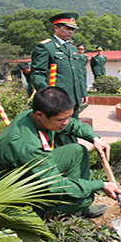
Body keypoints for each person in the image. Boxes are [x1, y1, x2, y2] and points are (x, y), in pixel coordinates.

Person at [0, 86, 121, 218]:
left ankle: (73, 202)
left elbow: (72, 125)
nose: (66, 122)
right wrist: (100, 185)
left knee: (77, 151)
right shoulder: (27, 145)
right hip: (1, 192)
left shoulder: (35, 117)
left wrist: (95, 138)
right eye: (61, 120)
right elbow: (54, 185)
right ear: (40, 114)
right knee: (84, 199)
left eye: (68, 117)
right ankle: (44, 212)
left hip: (18, 173)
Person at [31, 12, 87, 146]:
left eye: (72, 29)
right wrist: (46, 94)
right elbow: (37, 73)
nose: (70, 32)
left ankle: (71, 155)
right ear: (55, 28)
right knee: (60, 133)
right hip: (58, 99)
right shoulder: (46, 47)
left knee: (71, 128)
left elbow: (79, 72)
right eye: (67, 28)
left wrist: (82, 92)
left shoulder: (72, 48)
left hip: (73, 97)